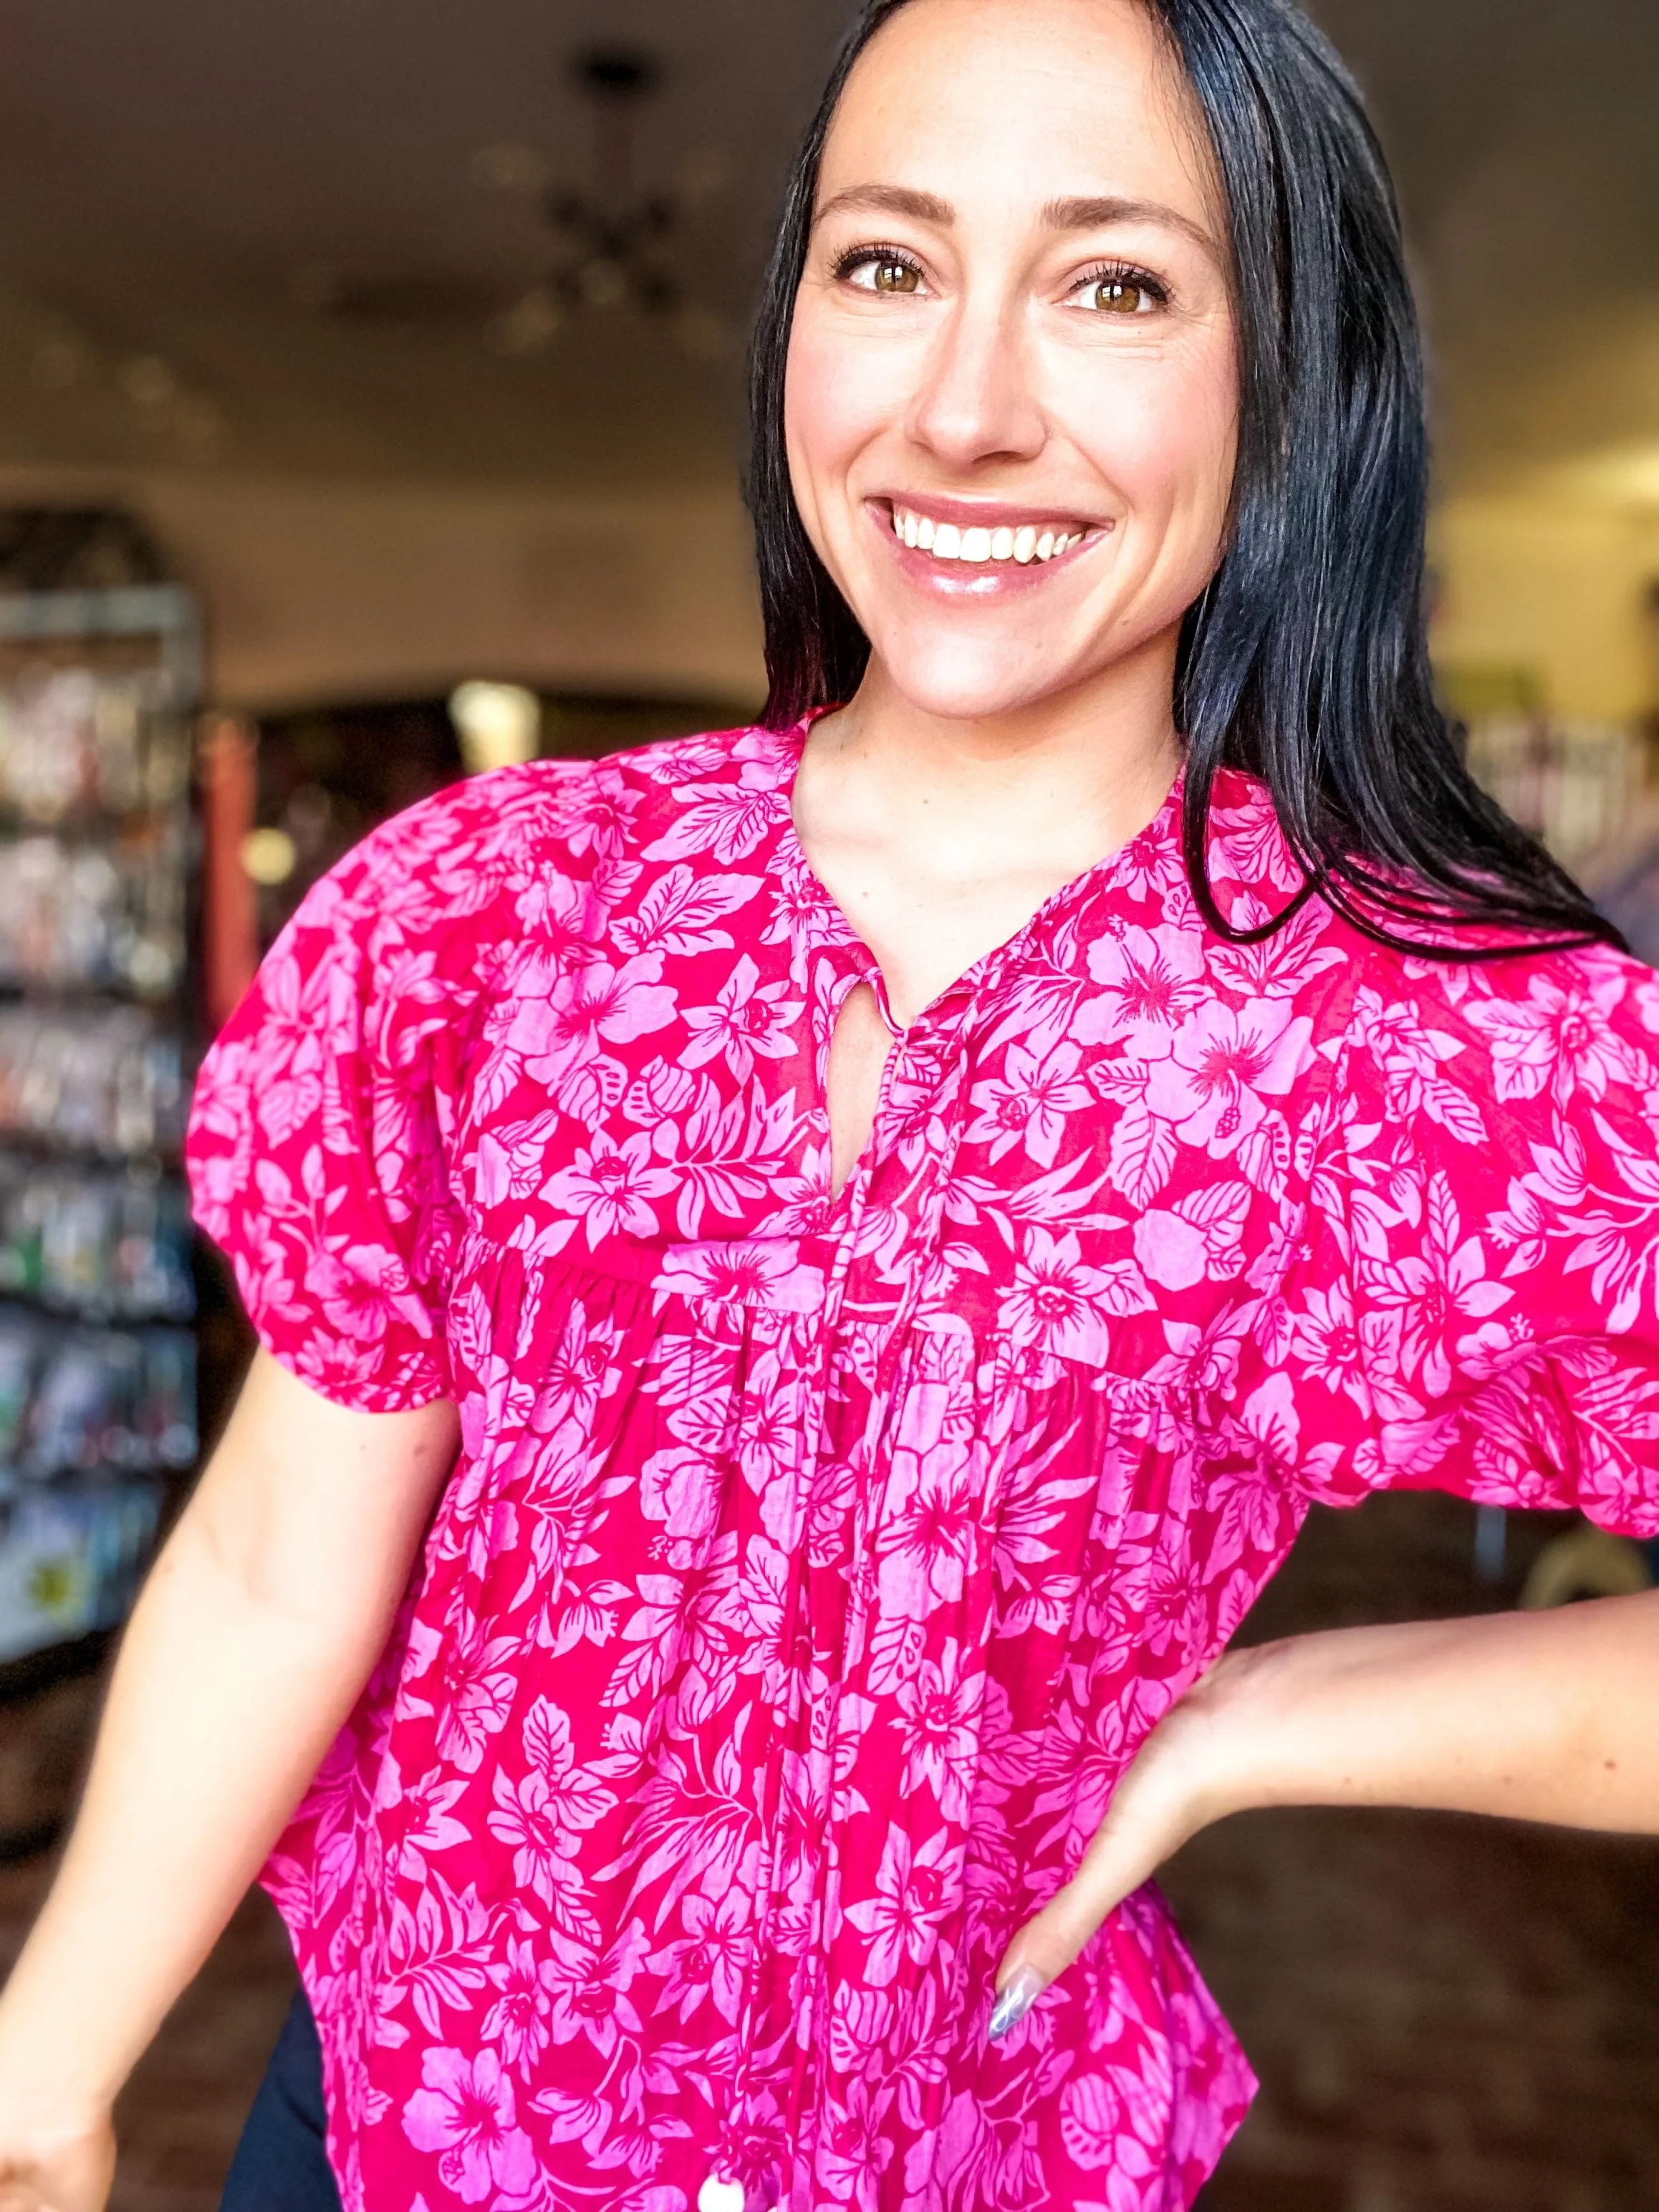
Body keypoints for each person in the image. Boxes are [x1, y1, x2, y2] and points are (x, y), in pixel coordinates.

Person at [1, 0, 1657, 2205]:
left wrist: (1252, 1726)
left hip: (961, 2144)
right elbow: (284, 1565)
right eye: (884, 265)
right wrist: (47, 2070)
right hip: (389, 2120)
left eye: (1114, 283)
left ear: (1285, 382)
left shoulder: (1411, 1048)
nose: (964, 408)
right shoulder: (493, 912)